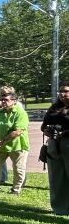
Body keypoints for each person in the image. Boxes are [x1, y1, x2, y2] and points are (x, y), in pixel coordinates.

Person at [0, 91, 29, 195]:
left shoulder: (20, 113)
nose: (3, 102)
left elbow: (18, 131)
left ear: (14, 101)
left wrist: (4, 141)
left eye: (6, 100)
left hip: (17, 146)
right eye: (2, 100)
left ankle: (16, 189)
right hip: (0, 146)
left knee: (18, 168)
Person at [40, 81, 69, 214]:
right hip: (54, 146)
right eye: (61, 91)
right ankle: (60, 208)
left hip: (67, 142)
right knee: (56, 178)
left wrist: (64, 133)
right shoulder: (54, 108)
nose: (63, 94)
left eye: (66, 91)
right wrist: (47, 131)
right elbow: (44, 125)